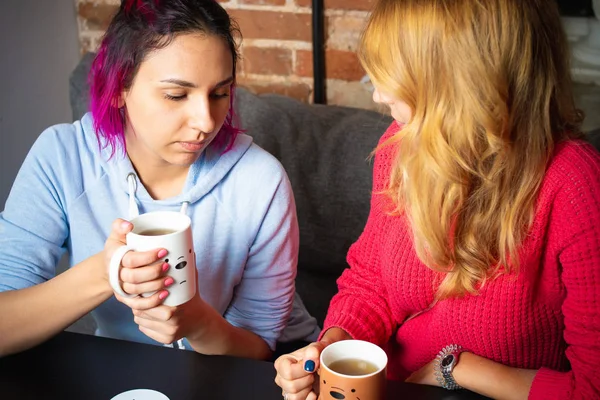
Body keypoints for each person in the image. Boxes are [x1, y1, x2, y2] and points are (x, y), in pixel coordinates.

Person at [274, 0, 600, 398]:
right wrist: (333, 347)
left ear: (462, 82)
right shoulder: (401, 147)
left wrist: (456, 369)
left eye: (398, 76)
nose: (377, 94)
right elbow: (371, 282)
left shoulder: (575, 187)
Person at [0, 0, 319, 360]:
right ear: (119, 86)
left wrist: (197, 322)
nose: (206, 122)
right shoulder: (62, 157)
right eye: (176, 95)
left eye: (219, 93)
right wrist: (106, 274)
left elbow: (260, 347)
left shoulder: (261, 182)